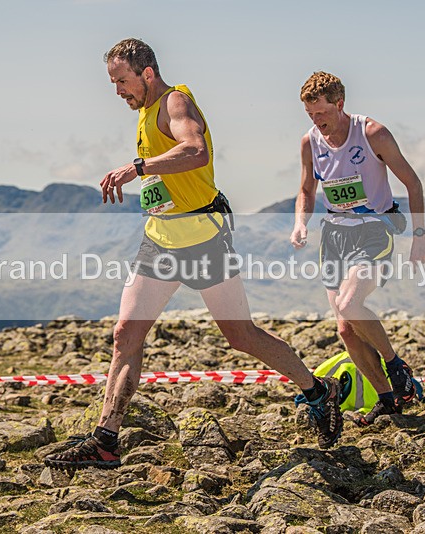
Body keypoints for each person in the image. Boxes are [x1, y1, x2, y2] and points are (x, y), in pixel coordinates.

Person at [44, 39, 343, 472]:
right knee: (126, 334)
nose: (117, 91)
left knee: (241, 336)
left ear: (147, 73)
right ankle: (106, 440)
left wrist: (137, 168)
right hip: (160, 240)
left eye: (122, 81)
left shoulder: (175, 100)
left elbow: (195, 150)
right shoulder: (146, 112)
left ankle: (319, 391)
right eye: (112, 82)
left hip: (204, 239)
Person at [290, 72, 425, 426]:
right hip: (334, 235)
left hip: (374, 230)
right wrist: (300, 222)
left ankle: (395, 364)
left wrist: (420, 236)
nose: (317, 121)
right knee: (346, 329)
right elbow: (306, 189)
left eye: (322, 113)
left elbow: (412, 183)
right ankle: (388, 399)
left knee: (351, 304)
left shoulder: (372, 134)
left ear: (339, 104)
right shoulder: (309, 142)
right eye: (310, 115)